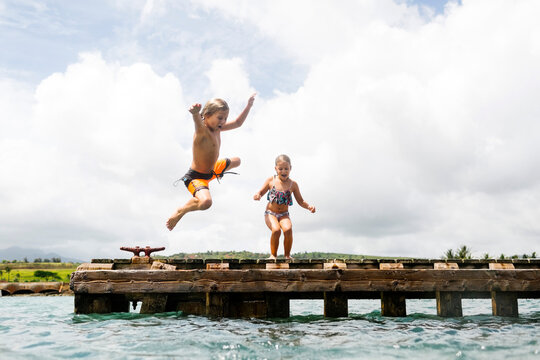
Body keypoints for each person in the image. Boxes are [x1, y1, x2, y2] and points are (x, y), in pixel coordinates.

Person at [166, 94, 256, 231]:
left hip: (212, 170)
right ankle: (181, 211)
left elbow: (238, 123)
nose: (224, 121)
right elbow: (198, 124)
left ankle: (217, 173)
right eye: (220, 118)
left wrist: (249, 106)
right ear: (206, 116)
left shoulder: (218, 128)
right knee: (206, 202)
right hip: (196, 177)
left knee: (237, 161)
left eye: (225, 118)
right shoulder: (202, 131)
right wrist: (195, 114)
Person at [253, 154, 316, 259]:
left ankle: (287, 255)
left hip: (284, 214)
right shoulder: (271, 180)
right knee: (276, 230)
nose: (283, 171)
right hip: (270, 213)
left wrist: (309, 206)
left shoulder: (293, 184)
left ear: (290, 168)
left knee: (288, 230)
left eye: (286, 169)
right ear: (276, 168)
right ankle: (273, 255)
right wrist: (257, 195)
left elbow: (300, 201)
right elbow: (260, 192)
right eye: (280, 169)